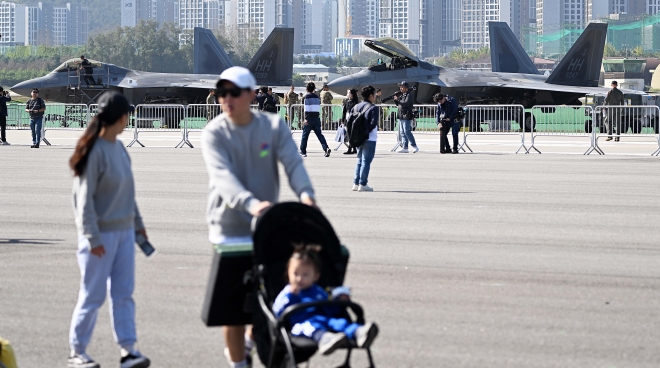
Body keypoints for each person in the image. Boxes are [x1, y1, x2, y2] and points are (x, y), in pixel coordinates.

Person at [200, 66, 318, 368]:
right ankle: (239, 363)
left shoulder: (273, 126)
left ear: (252, 94)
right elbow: (223, 178)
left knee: (272, 299)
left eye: (234, 92)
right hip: (229, 229)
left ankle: (259, 342)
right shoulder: (214, 132)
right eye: (222, 92)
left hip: (266, 227)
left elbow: (293, 163)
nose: (226, 99)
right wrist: (251, 204)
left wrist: (306, 195)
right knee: (234, 309)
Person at [68, 91, 150, 368]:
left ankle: (128, 351)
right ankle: (77, 352)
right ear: (122, 117)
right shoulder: (94, 152)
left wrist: (138, 227)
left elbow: (128, 193)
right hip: (100, 237)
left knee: (123, 293)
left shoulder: (119, 148)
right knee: (92, 295)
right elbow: (83, 200)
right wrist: (92, 237)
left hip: (124, 234)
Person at [272, 244, 379, 355]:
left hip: (324, 318)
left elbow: (330, 309)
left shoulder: (318, 291)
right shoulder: (288, 292)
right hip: (301, 322)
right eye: (295, 274)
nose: (299, 278)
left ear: (315, 276)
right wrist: (291, 296)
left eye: (305, 275)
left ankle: (359, 332)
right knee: (312, 327)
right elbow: (277, 311)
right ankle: (325, 339)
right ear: (288, 273)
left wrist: (339, 302)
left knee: (340, 323)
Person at [352, 86, 379, 192]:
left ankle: (356, 183)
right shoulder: (373, 108)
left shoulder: (356, 107)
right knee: (366, 161)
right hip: (369, 138)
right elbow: (373, 123)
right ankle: (363, 184)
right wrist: (365, 133)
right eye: (375, 94)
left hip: (357, 138)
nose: (376, 96)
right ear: (371, 95)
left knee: (359, 160)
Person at [300, 82, 331, 158]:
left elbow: (307, 108)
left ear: (307, 89)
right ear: (314, 89)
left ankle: (303, 151)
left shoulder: (306, 97)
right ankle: (326, 148)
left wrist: (306, 119)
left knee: (305, 135)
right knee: (319, 135)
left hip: (309, 118)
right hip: (316, 117)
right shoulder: (317, 97)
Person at [394, 81, 418, 153]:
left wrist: (398, 100)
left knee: (407, 131)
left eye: (402, 87)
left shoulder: (409, 95)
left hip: (406, 115)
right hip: (401, 115)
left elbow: (406, 103)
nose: (401, 88)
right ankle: (405, 147)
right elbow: (398, 104)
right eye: (400, 87)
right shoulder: (402, 95)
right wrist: (395, 100)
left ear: (406, 88)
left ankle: (414, 146)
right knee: (402, 132)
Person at [340, 89, 359, 155]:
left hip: (353, 120)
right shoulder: (347, 101)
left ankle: (350, 149)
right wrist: (342, 120)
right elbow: (344, 111)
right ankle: (354, 149)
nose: (347, 94)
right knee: (349, 135)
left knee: (351, 135)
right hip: (347, 120)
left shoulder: (355, 102)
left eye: (349, 93)